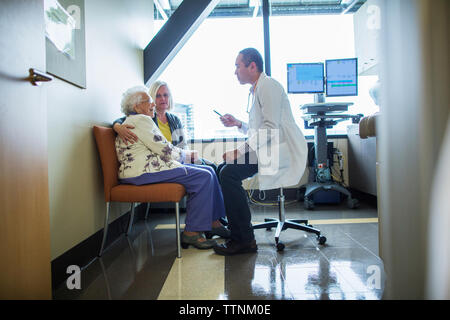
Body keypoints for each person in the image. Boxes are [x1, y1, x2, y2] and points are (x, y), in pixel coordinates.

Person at [213, 48, 308, 256]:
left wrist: (238, 151)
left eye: (238, 66)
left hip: (281, 150)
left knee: (228, 173)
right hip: (269, 147)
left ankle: (244, 239)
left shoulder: (269, 86)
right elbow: (260, 129)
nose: (235, 71)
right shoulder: (257, 89)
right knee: (224, 169)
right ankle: (238, 229)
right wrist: (238, 123)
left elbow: (270, 129)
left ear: (252, 66)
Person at [115, 86, 229, 249]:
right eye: (149, 101)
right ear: (136, 107)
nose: (153, 104)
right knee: (203, 176)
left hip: (143, 170)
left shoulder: (137, 119)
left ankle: (213, 222)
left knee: (209, 170)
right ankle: (191, 233)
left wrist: (184, 155)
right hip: (143, 172)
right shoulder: (141, 120)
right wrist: (186, 155)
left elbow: (162, 147)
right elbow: (163, 148)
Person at [113, 81, 217, 171]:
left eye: (165, 95)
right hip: (164, 160)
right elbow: (124, 119)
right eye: (158, 96)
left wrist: (187, 156)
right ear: (152, 99)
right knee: (207, 170)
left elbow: (183, 145)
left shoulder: (175, 120)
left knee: (213, 166)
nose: (163, 98)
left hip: (178, 155)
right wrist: (117, 127)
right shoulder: (146, 117)